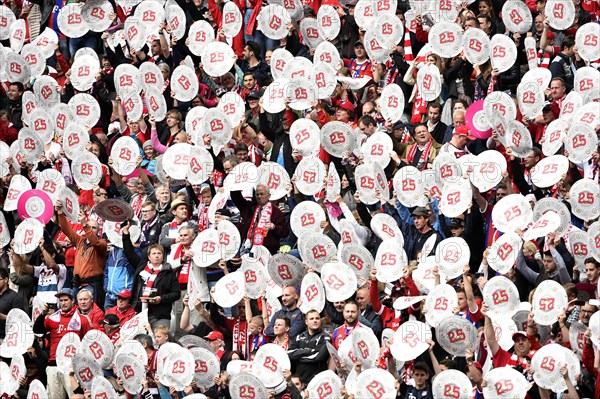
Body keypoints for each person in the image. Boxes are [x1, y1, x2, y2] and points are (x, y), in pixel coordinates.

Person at [33, 288, 91, 399]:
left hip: (71, 367)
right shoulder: (52, 318)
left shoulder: (82, 319)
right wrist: (43, 314)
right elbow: (37, 330)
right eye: (61, 300)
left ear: (73, 300)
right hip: (53, 363)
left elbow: (87, 343)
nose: (63, 303)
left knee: (75, 397)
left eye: (65, 300)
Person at [122, 223, 181, 329]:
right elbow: (129, 253)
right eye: (154, 253)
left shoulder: (168, 271)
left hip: (160, 315)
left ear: (163, 256)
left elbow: (176, 294)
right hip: (140, 313)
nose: (157, 256)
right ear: (149, 256)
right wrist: (126, 234)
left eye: (159, 253)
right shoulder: (142, 267)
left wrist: (161, 298)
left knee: (161, 342)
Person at [55, 202, 108, 305]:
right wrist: (60, 212)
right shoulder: (80, 241)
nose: (91, 229)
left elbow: (95, 243)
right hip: (77, 284)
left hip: (91, 285)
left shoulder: (102, 243)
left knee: (90, 312)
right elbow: (66, 230)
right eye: (89, 227)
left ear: (99, 231)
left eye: (94, 228)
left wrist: (85, 225)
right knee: (76, 312)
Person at [287, 310, 331, 384]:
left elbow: (318, 357)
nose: (315, 321)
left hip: (316, 381)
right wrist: (308, 351)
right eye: (311, 319)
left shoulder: (325, 337)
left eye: (317, 318)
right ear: (306, 322)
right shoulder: (299, 337)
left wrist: (299, 357)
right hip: (299, 380)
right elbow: (289, 353)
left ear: (320, 320)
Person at [0, 267, 26, 339]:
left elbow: (21, 319)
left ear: (6, 280)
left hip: (7, 338)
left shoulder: (15, 297)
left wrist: (5, 317)